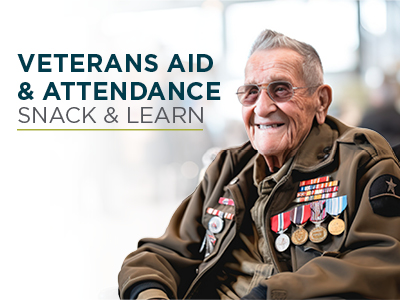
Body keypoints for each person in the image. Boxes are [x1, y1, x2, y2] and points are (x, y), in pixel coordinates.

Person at [118, 30, 400, 300]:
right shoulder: (227, 170)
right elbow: (157, 255)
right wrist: (150, 294)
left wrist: (271, 295)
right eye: (251, 92)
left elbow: (381, 264)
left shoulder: (362, 162)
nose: (262, 108)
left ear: (321, 101)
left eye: (280, 90)